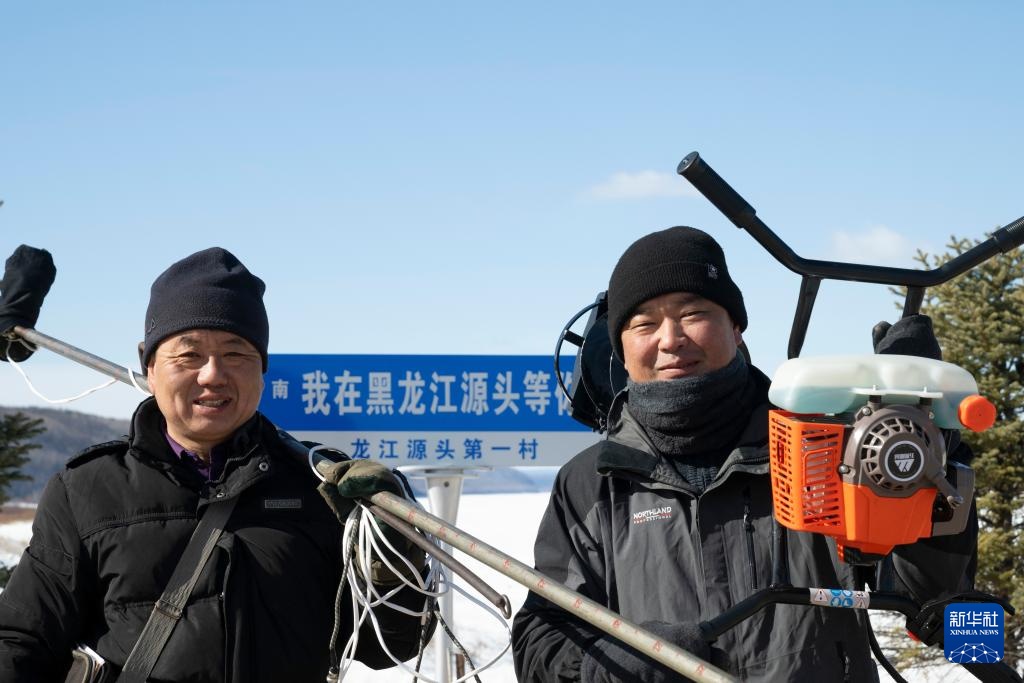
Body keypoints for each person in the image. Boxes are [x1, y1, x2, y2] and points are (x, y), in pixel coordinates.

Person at [511, 226, 978, 681]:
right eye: (644, 323)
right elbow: (542, 633)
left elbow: (935, 604)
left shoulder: (826, 447)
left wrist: (924, 451)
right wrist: (604, 670)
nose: (670, 339)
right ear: (621, 348)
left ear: (736, 328)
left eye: (693, 313)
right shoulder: (591, 483)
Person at [0, 248, 431, 682]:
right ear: (150, 367)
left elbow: (391, 647)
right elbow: (22, 640)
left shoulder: (322, 487)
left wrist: (394, 551)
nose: (212, 374)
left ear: (262, 370)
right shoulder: (89, 490)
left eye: (236, 353)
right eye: (189, 355)